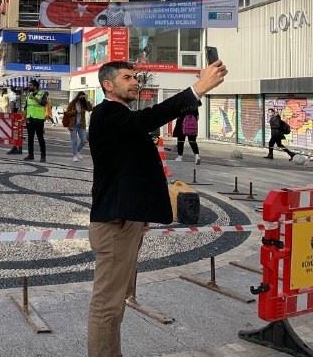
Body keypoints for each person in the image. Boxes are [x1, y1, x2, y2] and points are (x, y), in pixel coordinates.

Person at [86, 59, 227, 357]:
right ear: (108, 85)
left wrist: (143, 211)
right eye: (127, 77)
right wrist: (198, 88)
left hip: (127, 219)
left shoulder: (121, 117)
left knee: (115, 301)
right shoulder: (105, 113)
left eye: (136, 77)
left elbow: (131, 168)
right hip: (114, 224)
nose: (135, 82)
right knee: (107, 304)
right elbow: (151, 117)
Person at [24, 79, 49, 163]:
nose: (29, 86)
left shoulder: (42, 94)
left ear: (35, 86)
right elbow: (26, 107)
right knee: (30, 138)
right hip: (30, 118)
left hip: (38, 119)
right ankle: (31, 155)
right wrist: (26, 117)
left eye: (30, 85)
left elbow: (43, 104)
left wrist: (34, 98)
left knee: (40, 138)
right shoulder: (28, 95)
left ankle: (43, 156)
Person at [64, 92, 93, 162]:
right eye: (81, 97)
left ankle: (77, 151)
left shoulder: (84, 104)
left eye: (83, 97)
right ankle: (74, 156)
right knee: (74, 141)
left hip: (81, 125)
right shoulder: (73, 103)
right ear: (78, 96)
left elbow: (90, 109)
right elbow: (67, 113)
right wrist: (75, 112)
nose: (82, 98)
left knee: (84, 140)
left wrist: (86, 100)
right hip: (73, 124)